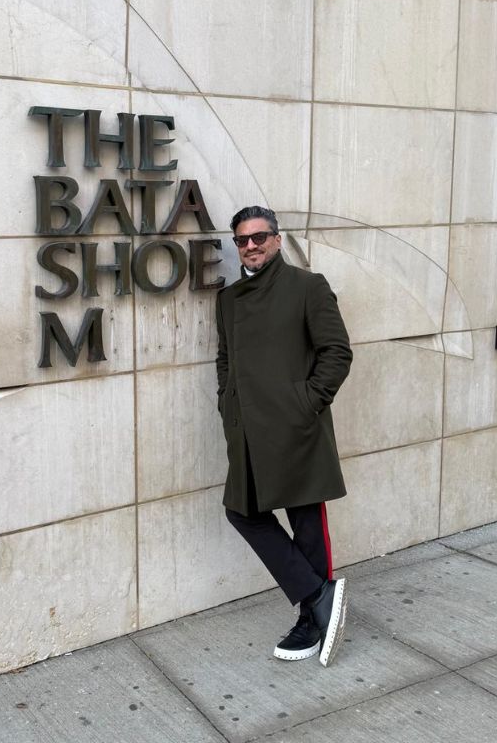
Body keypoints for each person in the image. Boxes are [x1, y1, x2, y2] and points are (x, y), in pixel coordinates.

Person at [215, 206, 353, 667]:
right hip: (249, 433)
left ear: (276, 239)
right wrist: (226, 402)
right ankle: (317, 596)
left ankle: (311, 620)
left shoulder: (307, 287)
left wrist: (305, 404)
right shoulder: (229, 299)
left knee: (307, 525)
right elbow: (225, 360)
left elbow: (337, 352)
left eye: (258, 237)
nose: (250, 246)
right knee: (242, 512)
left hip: (296, 429)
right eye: (241, 240)